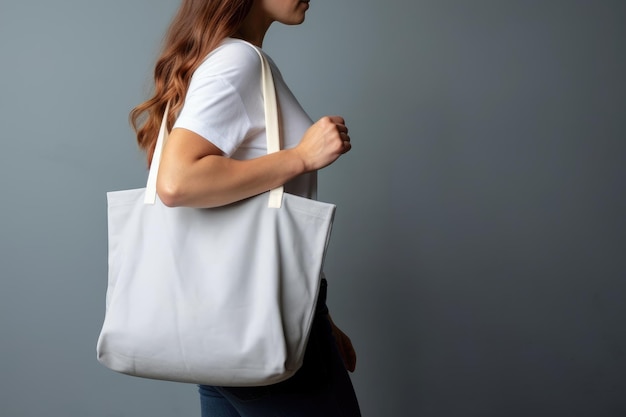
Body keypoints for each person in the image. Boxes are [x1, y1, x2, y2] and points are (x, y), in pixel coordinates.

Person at [130, 0, 361, 415]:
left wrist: (318, 316)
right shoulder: (238, 61)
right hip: (256, 331)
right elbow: (177, 181)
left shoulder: (221, 59)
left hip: (229, 329)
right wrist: (303, 156)